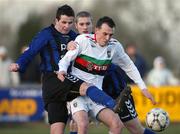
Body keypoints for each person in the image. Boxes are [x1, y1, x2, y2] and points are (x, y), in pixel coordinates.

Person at [9, 5, 118, 134]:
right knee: (86, 88)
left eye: (70, 22)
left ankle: (88, 115)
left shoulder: (75, 36)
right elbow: (31, 51)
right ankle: (114, 105)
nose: (66, 26)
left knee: (58, 128)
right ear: (56, 20)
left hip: (67, 80)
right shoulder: (46, 34)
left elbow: (91, 52)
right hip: (52, 79)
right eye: (63, 22)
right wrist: (19, 64)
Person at [58, 16, 156, 134]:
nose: (108, 38)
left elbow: (129, 66)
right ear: (96, 30)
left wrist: (143, 87)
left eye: (111, 35)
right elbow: (66, 59)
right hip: (77, 95)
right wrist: (62, 70)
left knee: (117, 124)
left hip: (98, 96)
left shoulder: (114, 46)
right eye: (105, 34)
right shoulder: (83, 40)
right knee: (82, 125)